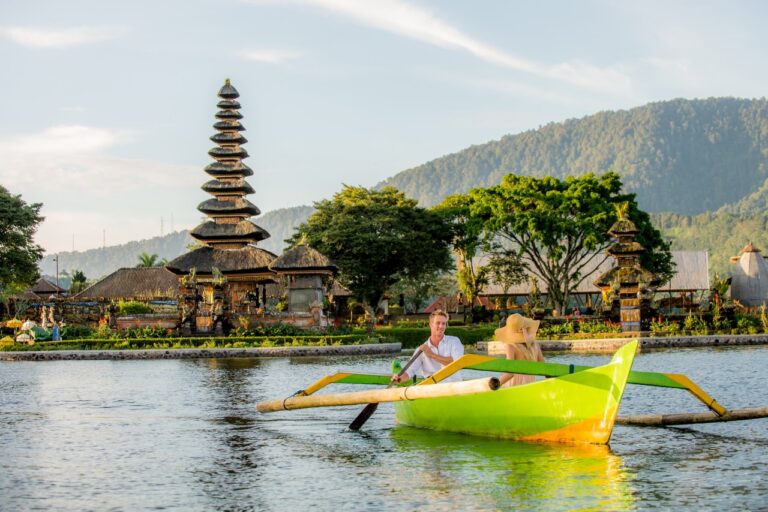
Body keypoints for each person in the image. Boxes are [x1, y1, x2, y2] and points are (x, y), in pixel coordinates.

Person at [391, 309, 464, 384]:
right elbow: (409, 371)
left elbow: (457, 364)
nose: (441, 326)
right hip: (432, 390)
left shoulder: (454, 341)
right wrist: (399, 379)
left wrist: (431, 354)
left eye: (444, 323)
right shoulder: (421, 350)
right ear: (431, 324)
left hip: (454, 388)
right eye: (438, 323)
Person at [495, 313, 544, 387]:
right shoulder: (534, 344)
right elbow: (543, 367)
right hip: (531, 384)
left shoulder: (511, 346)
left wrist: (495, 384)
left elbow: (510, 373)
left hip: (515, 385)